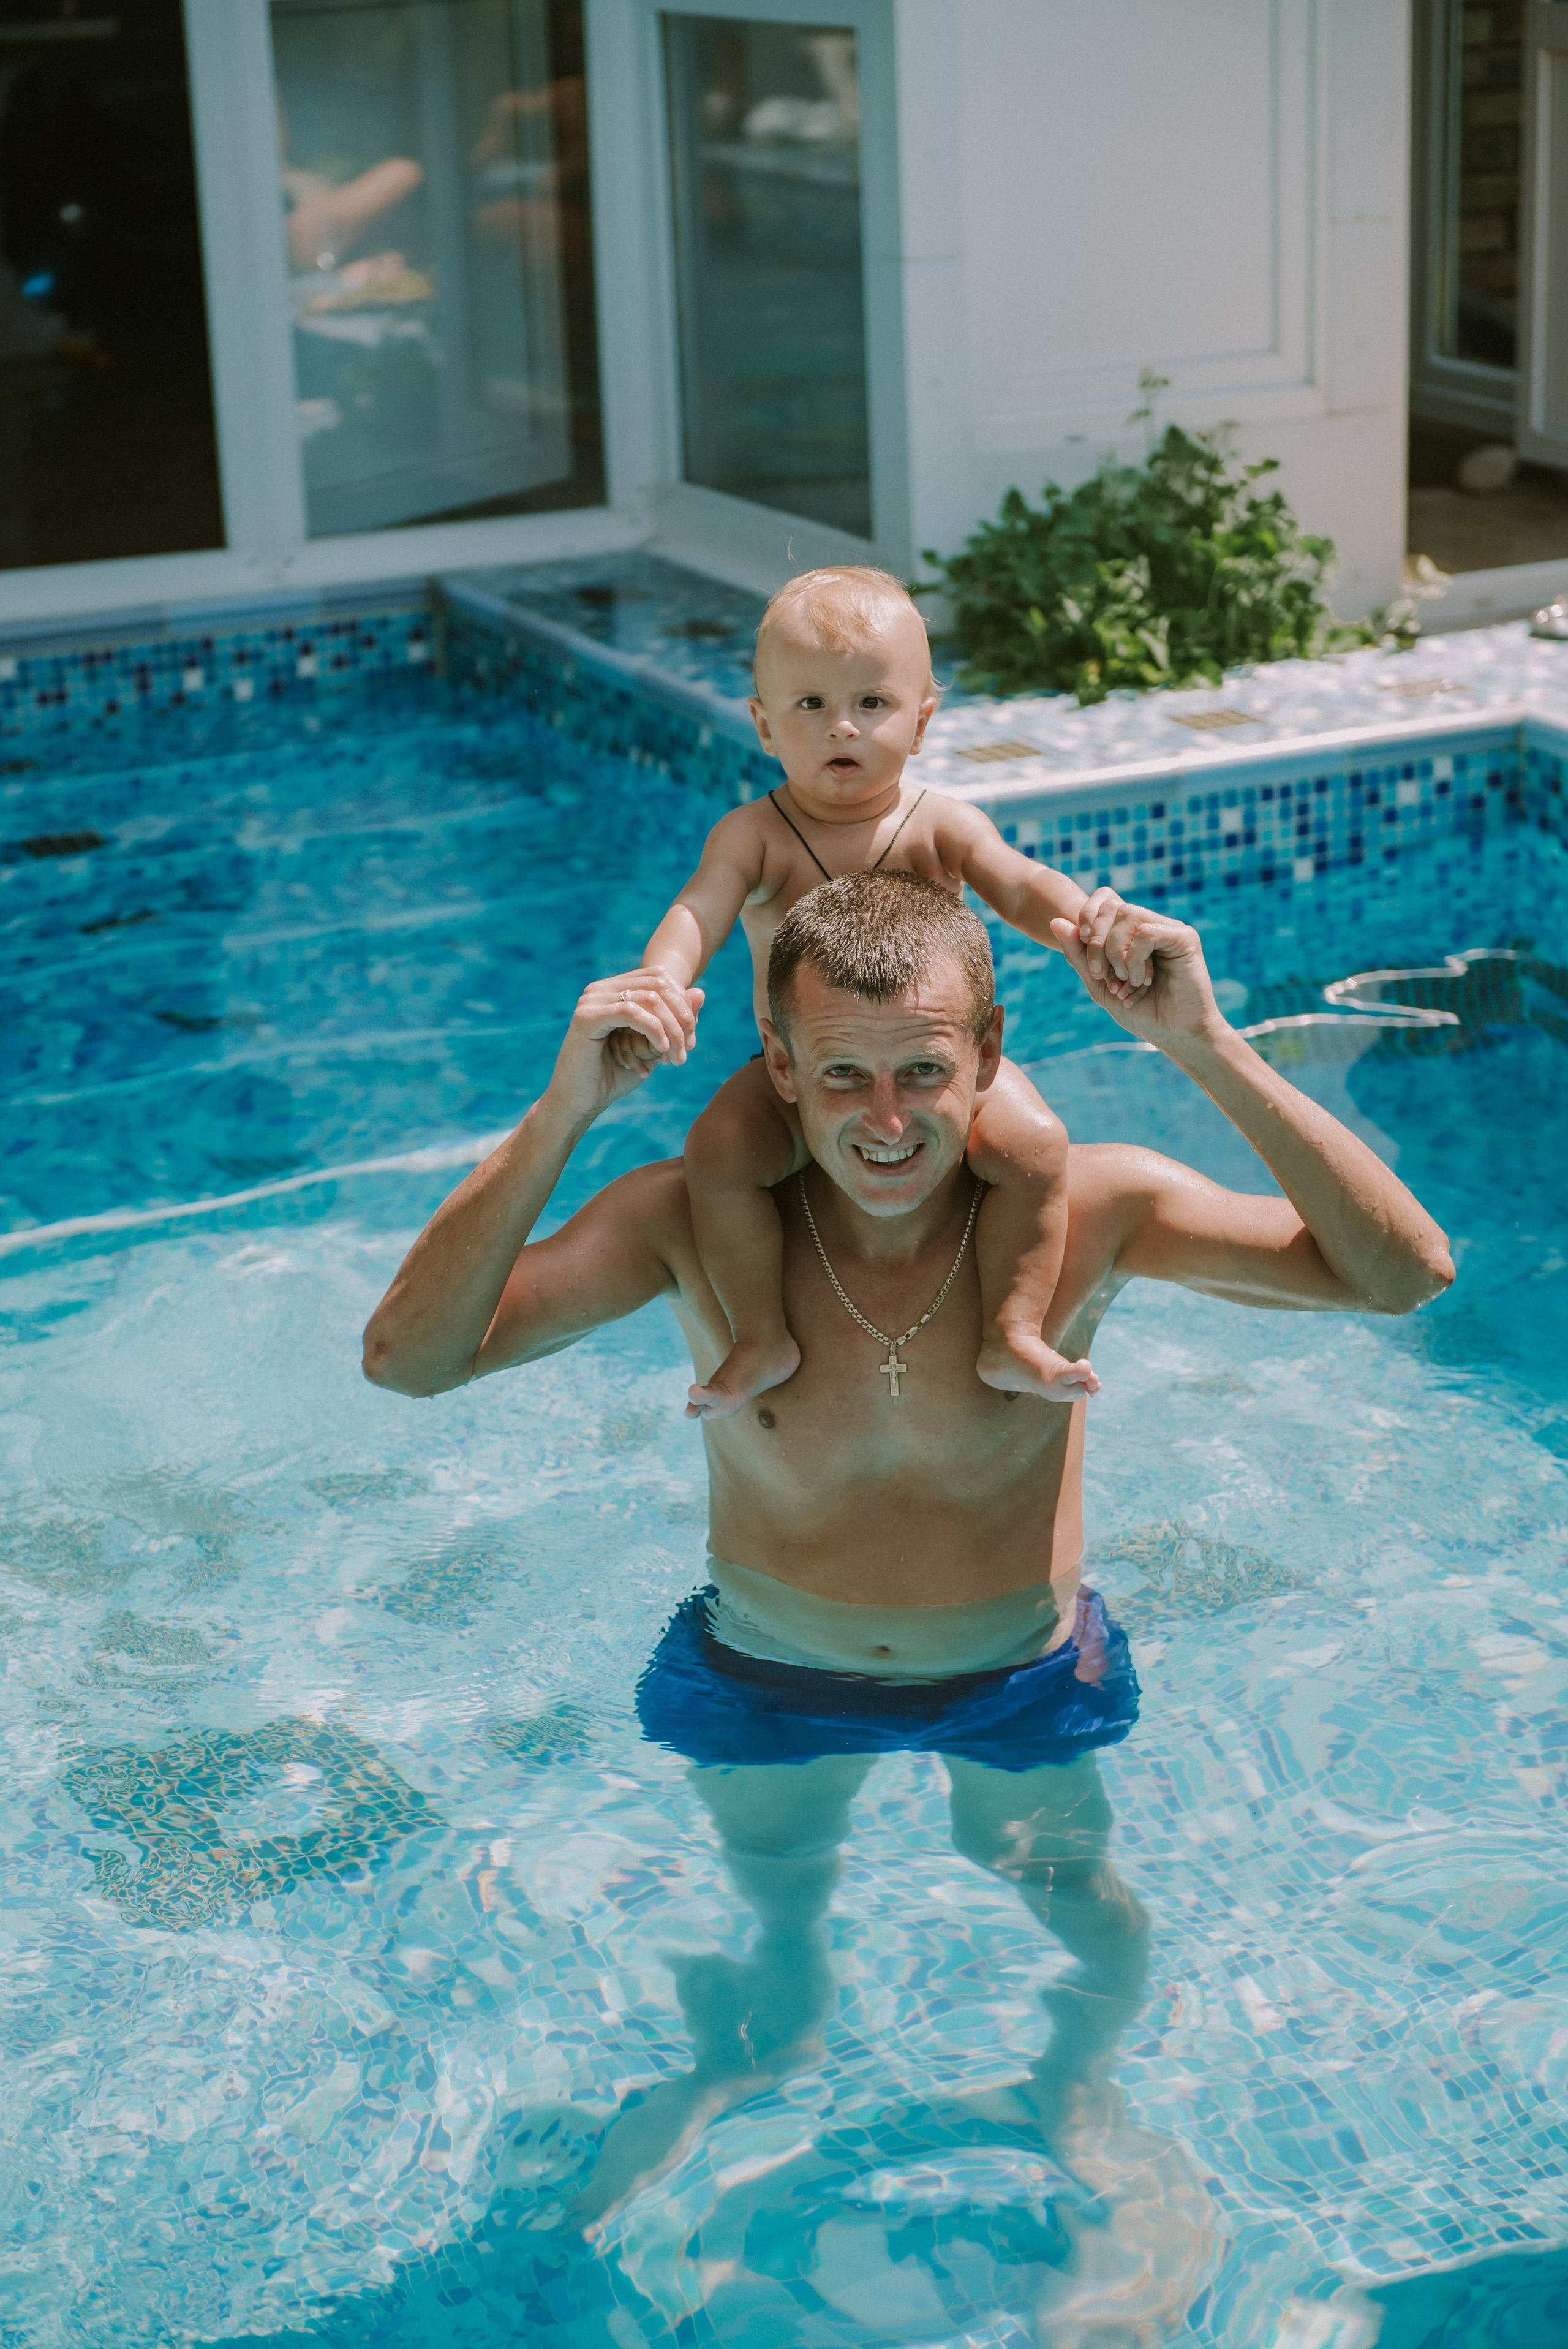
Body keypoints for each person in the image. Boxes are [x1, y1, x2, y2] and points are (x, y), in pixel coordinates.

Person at [363, 871, 1453, 2255]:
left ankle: (1077, 2087)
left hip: (1017, 1678)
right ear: (780, 1067)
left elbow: (1403, 1276)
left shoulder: (1093, 1210)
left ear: (987, 1052)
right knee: (780, 1894)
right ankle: (760, 2044)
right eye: (843, 1076)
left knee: (1080, 1908)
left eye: (924, 1072)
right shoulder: (684, 1222)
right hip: (765, 1676)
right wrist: (563, 1108)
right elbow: (409, 1362)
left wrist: (1203, 1043)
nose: (886, 1121)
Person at [625, 565, 1151, 1422]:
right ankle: (760, 1334)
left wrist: (1084, 924)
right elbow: (700, 908)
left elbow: (1019, 882)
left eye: (872, 702)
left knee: (1037, 1146)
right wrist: (662, 978)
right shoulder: (755, 836)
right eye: (811, 704)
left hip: (926, 1070)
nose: (843, 725)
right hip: (802, 1073)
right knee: (716, 1155)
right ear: (764, 725)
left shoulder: (941, 823)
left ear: (922, 721)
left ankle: (1012, 1329)